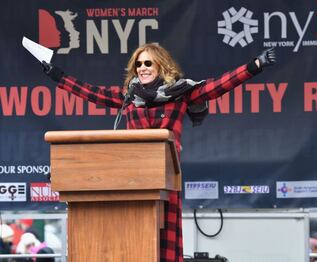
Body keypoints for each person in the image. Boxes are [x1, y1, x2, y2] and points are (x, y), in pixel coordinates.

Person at [41, 43, 276, 262]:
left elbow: (217, 86)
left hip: (164, 179)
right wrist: (58, 76)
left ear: (161, 65)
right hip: (131, 182)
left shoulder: (181, 92)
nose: (142, 68)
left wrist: (254, 66)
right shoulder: (129, 97)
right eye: (138, 64)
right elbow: (91, 93)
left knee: (164, 245)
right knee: (130, 243)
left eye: (148, 63)